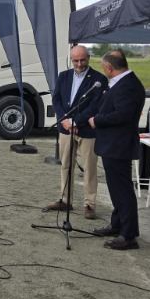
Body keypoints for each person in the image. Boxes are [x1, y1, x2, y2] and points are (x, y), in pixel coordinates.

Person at [88, 50, 145, 250]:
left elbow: (123, 115)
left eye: (104, 67)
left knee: (122, 190)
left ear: (109, 68)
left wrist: (97, 120)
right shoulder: (122, 82)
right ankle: (117, 224)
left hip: (119, 145)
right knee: (116, 188)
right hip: (113, 144)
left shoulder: (128, 86)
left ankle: (128, 235)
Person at [46, 46, 108, 219]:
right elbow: (56, 99)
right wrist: (65, 120)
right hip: (65, 128)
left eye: (82, 60)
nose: (79, 64)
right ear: (71, 59)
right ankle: (65, 199)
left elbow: (96, 105)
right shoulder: (63, 76)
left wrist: (76, 121)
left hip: (87, 130)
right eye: (76, 60)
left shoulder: (99, 79)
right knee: (66, 165)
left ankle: (89, 204)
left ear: (88, 58)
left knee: (89, 168)